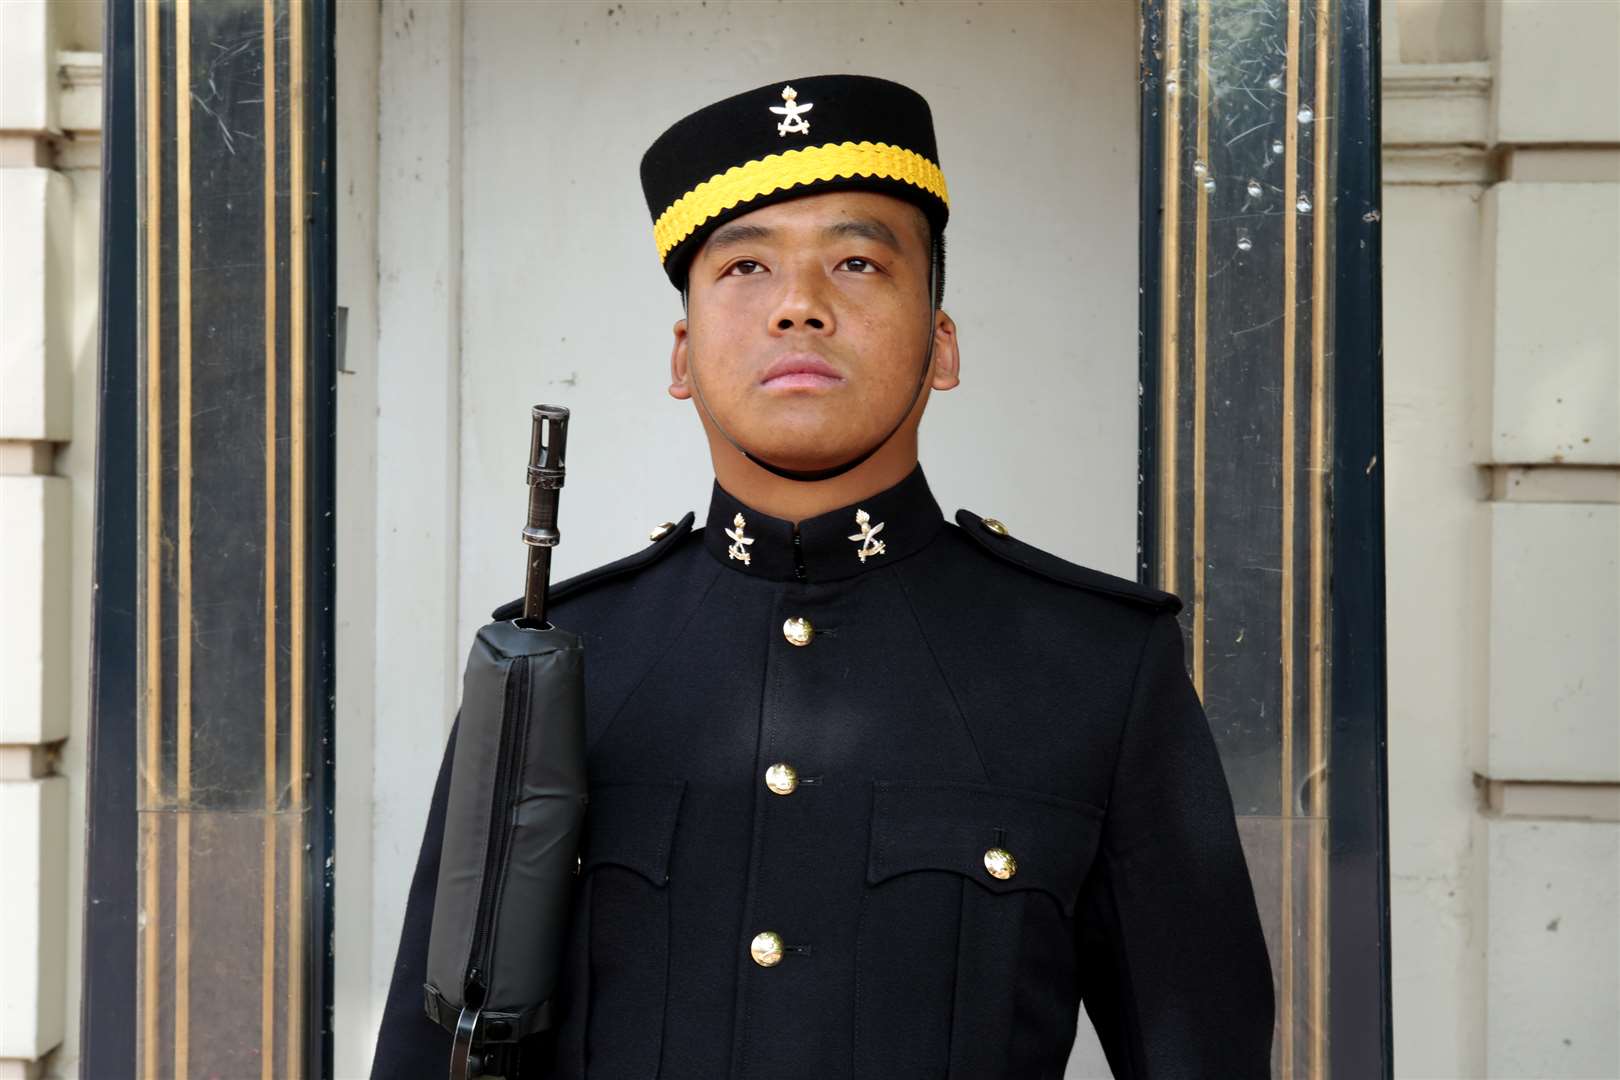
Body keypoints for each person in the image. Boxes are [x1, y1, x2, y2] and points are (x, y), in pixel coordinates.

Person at [372, 74, 1274, 1079]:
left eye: (855, 262)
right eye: (747, 266)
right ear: (683, 353)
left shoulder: (1096, 666)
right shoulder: (562, 665)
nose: (799, 306)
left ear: (942, 344)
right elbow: (433, 1052)